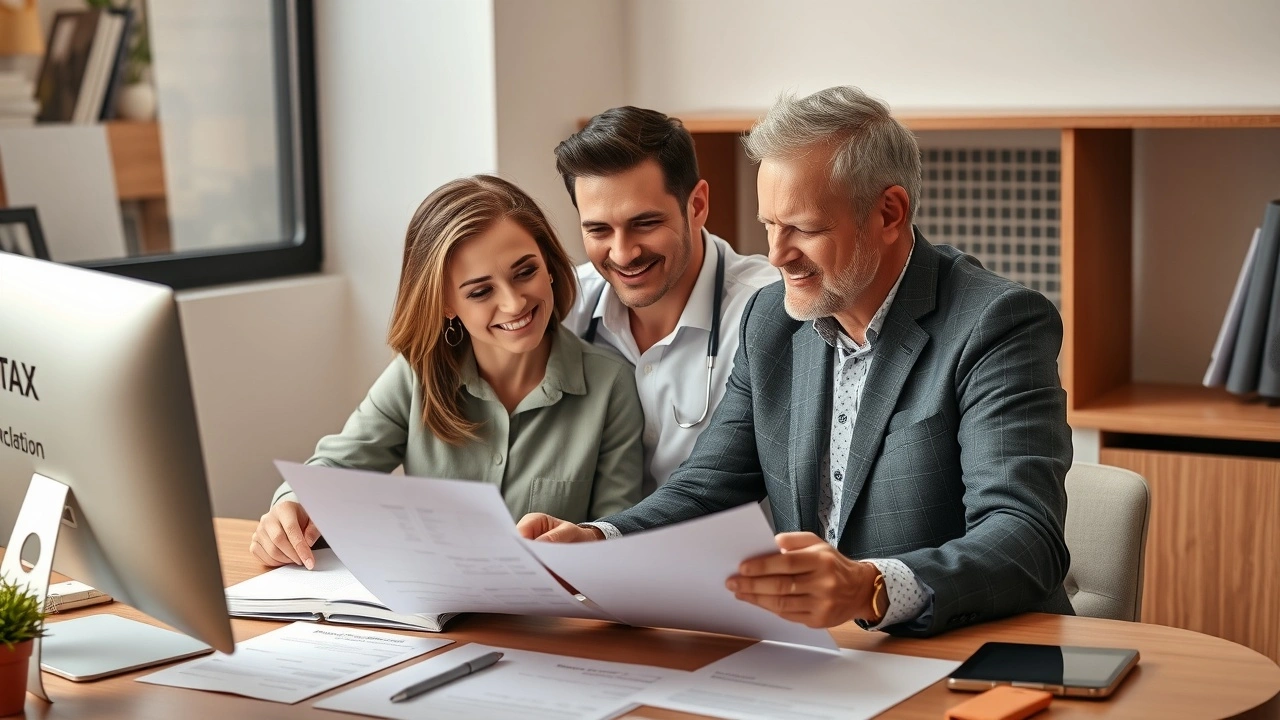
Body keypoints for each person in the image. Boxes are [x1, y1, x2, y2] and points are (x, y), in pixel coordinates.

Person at [519, 86, 1074, 638]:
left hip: (970, 650)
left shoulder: (997, 323)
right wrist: (597, 540)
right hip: (823, 657)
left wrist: (870, 587)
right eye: (769, 226)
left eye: (803, 229)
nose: (778, 254)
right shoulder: (773, 320)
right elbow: (705, 487)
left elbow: (1025, 535)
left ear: (888, 213)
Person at [251, 175, 644, 569]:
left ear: (549, 266)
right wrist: (291, 506)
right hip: (436, 621)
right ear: (445, 303)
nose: (513, 303)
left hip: (557, 621)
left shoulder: (611, 385)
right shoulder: (416, 375)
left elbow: (616, 534)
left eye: (525, 272)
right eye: (480, 291)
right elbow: (332, 471)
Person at [555, 107, 780, 495]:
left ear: (697, 206)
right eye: (598, 230)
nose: (623, 254)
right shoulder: (564, 305)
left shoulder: (768, 307)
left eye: (645, 223)